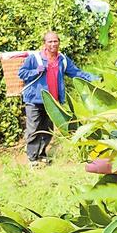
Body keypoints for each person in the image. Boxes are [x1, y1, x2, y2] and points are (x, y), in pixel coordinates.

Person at [18, 31, 97, 165]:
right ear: (44, 43)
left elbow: (76, 73)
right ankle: (32, 159)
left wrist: (94, 78)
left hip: (53, 101)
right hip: (34, 100)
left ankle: (42, 154)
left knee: (48, 129)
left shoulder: (63, 59)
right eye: (50, 41)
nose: (53, 44)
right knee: (33, 129)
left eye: (55, 41)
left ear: (59, 42)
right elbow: (22, 73)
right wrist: (36, 71)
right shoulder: (34, 58)